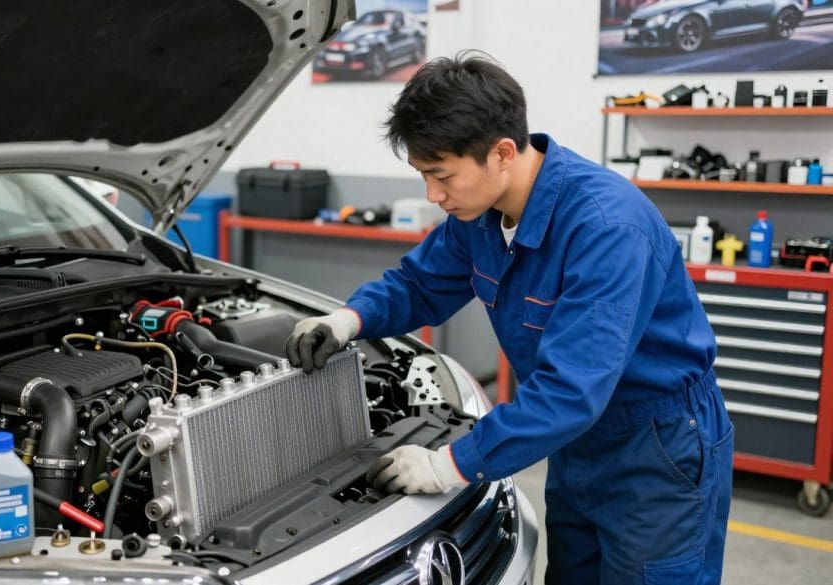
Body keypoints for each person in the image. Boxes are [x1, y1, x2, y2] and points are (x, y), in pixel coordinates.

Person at [284, 52, 733, 584]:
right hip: (576, 444)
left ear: (501, 153)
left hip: (657, 450)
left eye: (441, 174)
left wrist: (448, 464)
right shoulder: (480, 216)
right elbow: (419, 284)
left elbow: (571, 391)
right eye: (423, 174)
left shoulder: (608, 228)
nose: (433, 194)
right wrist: (349, 320)